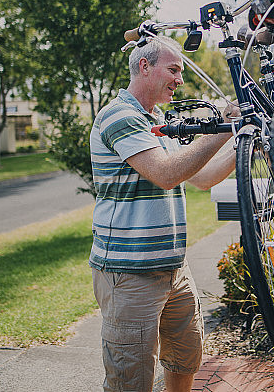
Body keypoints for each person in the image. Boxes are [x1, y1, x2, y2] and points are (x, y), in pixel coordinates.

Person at [88, 35, 237, 392]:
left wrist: (243, 140)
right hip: (130, 273)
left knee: (185, 357)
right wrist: (222, 125)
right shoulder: (119, 117)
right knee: (131, 378)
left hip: (174, 269)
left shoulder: (157, 120)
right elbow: (167, 174)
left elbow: (200, 178)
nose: (179, 80)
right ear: (144, 66)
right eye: (173, 69)